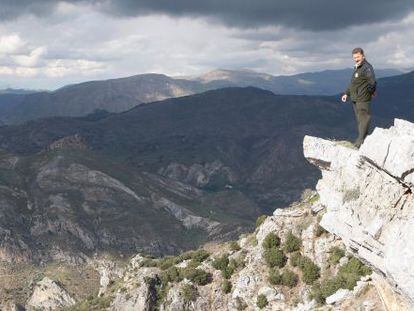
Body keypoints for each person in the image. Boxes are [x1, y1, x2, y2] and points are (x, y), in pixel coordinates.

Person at [341, 47, 376, 148]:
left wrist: (370, 92)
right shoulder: (358, 67)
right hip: (355, 98)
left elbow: (372, 82)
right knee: (360, 121)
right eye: (354, 57)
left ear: (363, 56)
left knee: (364, 120)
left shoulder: (367, 67)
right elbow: (353, 83)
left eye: (358, 57)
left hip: (363, 99)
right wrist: (346, 94)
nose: (356, 59)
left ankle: (359, 142)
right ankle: (363, 141)